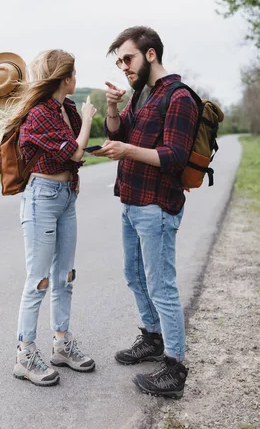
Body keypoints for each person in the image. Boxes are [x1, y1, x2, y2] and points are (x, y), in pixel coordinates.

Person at [93, 26, 198, 399]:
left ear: (150, 54)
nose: (123, 66)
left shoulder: (179, 97)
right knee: (134, 276)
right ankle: (152, 338)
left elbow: (174, 157)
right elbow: (122, 130)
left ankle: (175, 367)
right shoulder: (142, 96)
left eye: (128, 58)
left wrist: (126, 151)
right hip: (132, 202)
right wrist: (111, 107)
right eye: (119, 61)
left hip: (157, 206)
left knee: (161, 285)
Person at [0, 49, 97, 387]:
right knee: (38, 279)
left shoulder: (66, 109)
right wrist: (88, 120)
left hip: (67, 196)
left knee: (65, 275)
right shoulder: (39, 115)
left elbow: (77, 154)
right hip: (42, 198)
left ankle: (61, 344)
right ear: (66, 78)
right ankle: (24, 354)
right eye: (75, 73)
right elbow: (76, 151)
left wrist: (90, 118)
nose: (77, 79)